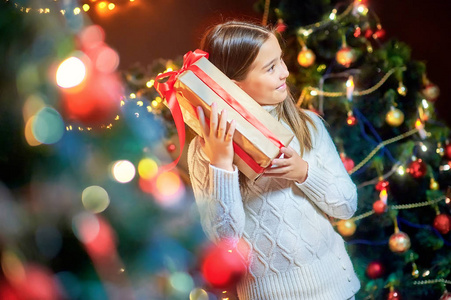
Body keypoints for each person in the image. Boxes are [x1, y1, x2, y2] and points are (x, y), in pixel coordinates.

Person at [187, 20, 360, 300]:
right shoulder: (203, 151)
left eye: (281, 60)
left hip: (337, 290)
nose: (285, 72)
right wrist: (221, 163)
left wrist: (305, 172)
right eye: (270, 67)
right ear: (232, 87)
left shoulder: (308, 125)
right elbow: (226, 241)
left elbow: (346, 206)